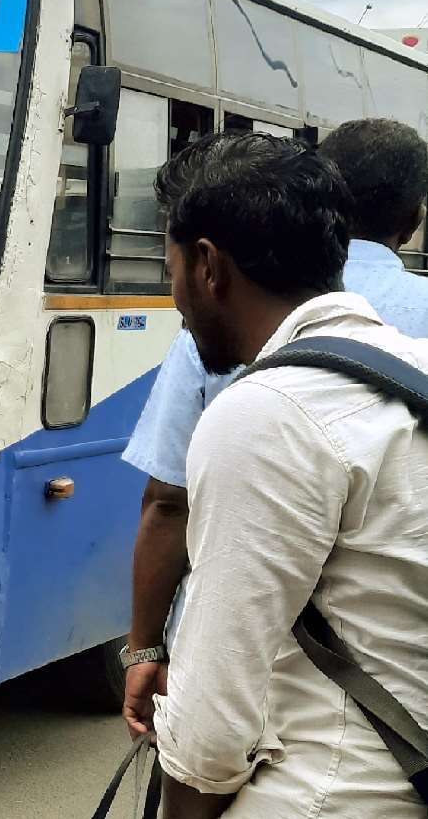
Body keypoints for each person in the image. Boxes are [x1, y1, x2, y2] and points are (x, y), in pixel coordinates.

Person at [145, 132, 428, 817]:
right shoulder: (410, 366)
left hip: (328, 790)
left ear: (208, 266)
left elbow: (210, 724)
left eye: (171, 267)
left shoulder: (266, 411)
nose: (174, 294)